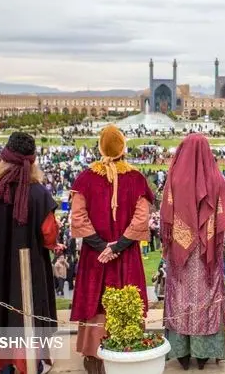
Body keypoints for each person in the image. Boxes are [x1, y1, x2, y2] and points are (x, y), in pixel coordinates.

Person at [0, 132, 62, 374]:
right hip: (31, 270)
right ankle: (30, 364)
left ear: (4, 159)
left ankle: (4, 367)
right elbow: (49, 234)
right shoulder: (39, 193)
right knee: (28, 315)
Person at [69, 125, 154, 374]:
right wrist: (117, 247)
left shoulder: (85, 178)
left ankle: (94, 354)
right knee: (121, 296)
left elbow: (78, 216)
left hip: (96, 256)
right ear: (123, 147)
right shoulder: (136, 178)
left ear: (100, 147)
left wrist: (101, 246)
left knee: (98, 300)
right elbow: (141, 218)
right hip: (124, 254)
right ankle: (123, 348)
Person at [161, 134, 225, 370]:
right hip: (207, 253)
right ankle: (203, 353)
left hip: (180, 254)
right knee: (205, 297)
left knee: (180, 297)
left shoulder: (173, 178)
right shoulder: (218, 180)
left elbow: (166, 214)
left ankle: (181, 352)